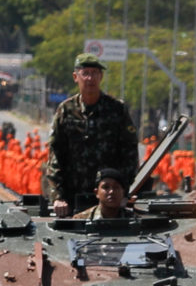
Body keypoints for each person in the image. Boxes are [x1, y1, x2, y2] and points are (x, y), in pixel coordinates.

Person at [41, 53, 138, 216]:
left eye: (94, 73)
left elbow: (130, 153)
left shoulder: (116, 109)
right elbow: (55, 155)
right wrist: (58, 197)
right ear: (75, 77)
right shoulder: (66, 110)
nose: (90, 78)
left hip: (109, 198)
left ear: (101, 77)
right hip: (72, 198)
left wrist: (123, 192)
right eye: (85, 73)